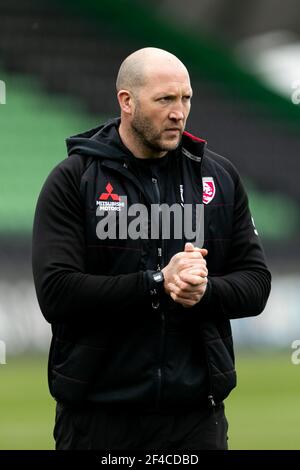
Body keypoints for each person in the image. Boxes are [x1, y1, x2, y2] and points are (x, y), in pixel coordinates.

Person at [32, 47, 271, 450]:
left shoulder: (219, 177)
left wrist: (204, 291)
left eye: (186, 98)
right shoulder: (74, 180)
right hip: (98, 419)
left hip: (195, 418)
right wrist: (158, 282)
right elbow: (57, 293)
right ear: (127, 101)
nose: (179, 112)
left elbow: (256, 283)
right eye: (165, 99)